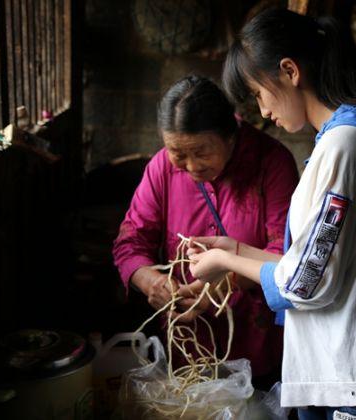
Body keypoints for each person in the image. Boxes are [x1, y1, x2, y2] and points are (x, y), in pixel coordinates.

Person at [187, 9, 356, 420]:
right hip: (351, 370)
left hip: (355, 375)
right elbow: (317, 263)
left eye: (259, 94)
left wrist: (223, 261)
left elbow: (304, 284)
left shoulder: (344, 148)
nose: (263, 112)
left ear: (290, 71)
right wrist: (237, 247)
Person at [112, 75, 299, 388]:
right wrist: (153, 283)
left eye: (201, 152)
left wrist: (218, 289)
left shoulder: (273, 163)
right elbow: (130, 243)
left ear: (230, 137)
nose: (191, 166)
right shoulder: (161, 168)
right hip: (184, 348)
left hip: (258, 349)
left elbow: (286, 256)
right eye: (178, 153)